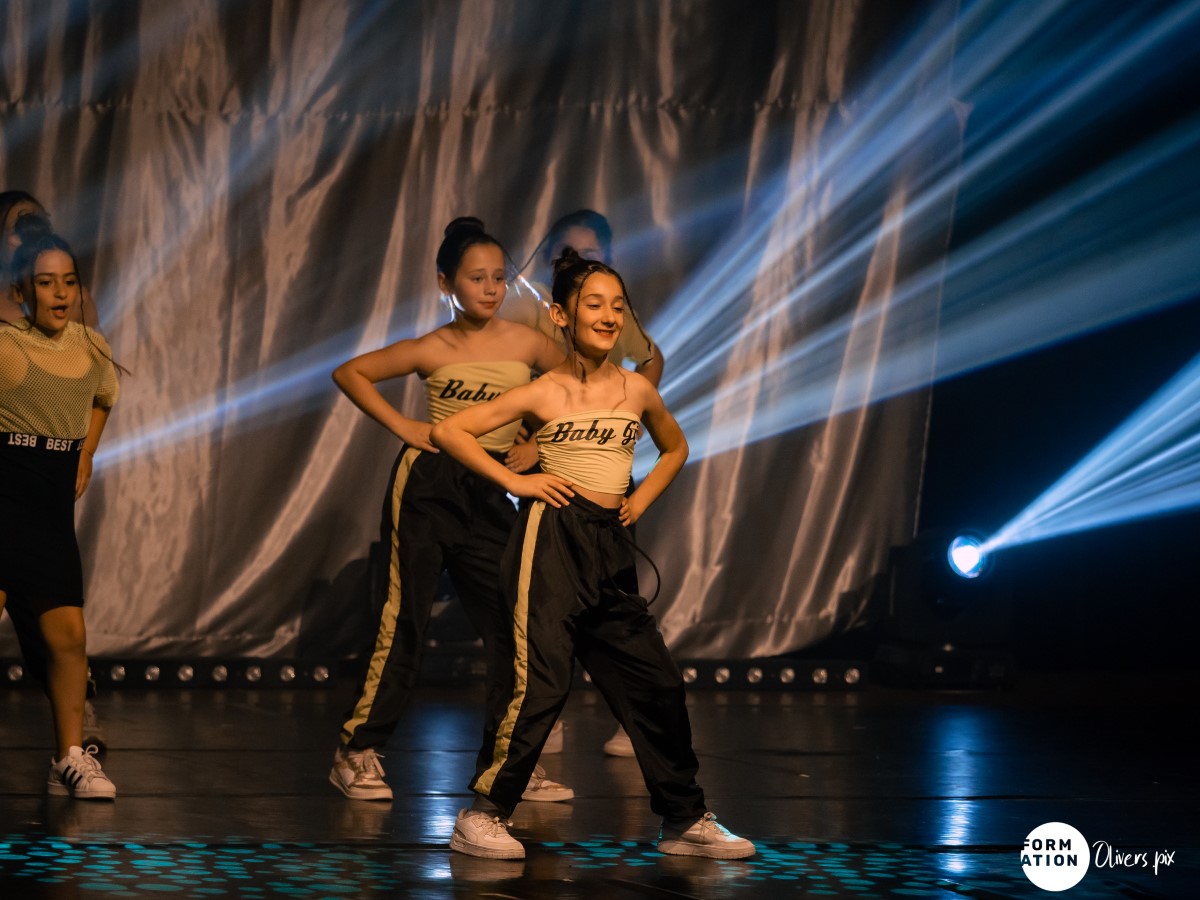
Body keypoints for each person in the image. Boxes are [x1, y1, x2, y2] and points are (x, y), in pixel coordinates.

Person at [431, 248, 755, 860]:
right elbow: (450, 430)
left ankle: (684, 819)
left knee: (655, 681)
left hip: (609, 543)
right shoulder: (546, 390)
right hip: (551, 538)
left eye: (618, 306)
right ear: (561, 314)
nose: (608, 316)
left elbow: (675, 448)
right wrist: (519, 482)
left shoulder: (636, 389)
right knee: (541, 683)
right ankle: (484, 814)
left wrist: (638, 502)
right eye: (594, 305)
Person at [328, 217, 573, 805]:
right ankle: (357, 751)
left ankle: (511, 763)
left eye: (499, 278)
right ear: (446, 283)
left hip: (493, 487)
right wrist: (405, 426)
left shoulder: (528, 342)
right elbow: (350, 372)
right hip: (430, 486)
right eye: (476, 278)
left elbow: (576, 390)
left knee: (512, 626)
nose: (491, 288)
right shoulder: (432, 347)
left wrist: (535, 443)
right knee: (405, 618)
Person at [502, 209, 663, 758]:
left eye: (592, 255)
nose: (579, 262)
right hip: (541, 475)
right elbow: (512, 388)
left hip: (598, 476)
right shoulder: (526, 309)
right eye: (567, 253)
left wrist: (629, 407)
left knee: (615, 607)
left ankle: (631, 718)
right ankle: (542, 716)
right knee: (545, 610)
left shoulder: (612, 312)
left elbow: (649, 361)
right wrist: (535, 442)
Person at [0, 231, 121, 799]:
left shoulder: (92, 346)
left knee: (68, 636)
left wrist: (87, 453)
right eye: (46, 283)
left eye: (68, 282)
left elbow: (103, 397)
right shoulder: (7, 345)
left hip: (49, 508)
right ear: (21, 291)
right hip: (5, 491)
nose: (60, 293)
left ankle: (69, 758)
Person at [1, 192, 99, 328]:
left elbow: (96, 340)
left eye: (39, 228)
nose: (32, 239)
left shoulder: (78, 300)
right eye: (20, 230)